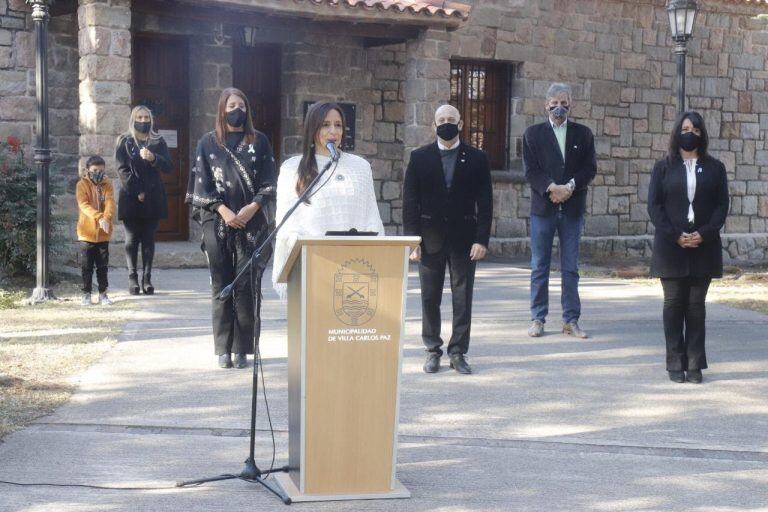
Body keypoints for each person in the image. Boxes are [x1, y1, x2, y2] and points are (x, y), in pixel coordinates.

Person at [186, 87, 276, 369]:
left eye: (242, 105)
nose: (237, 109)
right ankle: (223, 348)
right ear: (222, 109)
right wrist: (224, 211)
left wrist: (252, 208)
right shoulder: (208, 142)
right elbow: (201, 185)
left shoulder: (259, 141)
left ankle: (243, 349)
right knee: (221, 284)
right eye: (231, 105)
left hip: (253, 222)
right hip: (218, 221)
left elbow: (269, 182)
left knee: (247, 285)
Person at [403, 104, 493, 375]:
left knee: (462, 298)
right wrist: (412, 241)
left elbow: (485, 202)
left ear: (461, 124)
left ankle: (458, 352)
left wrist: (482, 240)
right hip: (429, 240)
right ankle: (433, 350)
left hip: (465, 240)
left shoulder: (477, 158)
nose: (446, 124)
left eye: (451, 120)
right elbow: (410, 202)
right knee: (430, 297)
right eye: (441, 120)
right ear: (433, 126)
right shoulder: (419, 158)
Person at [648, 112, 729, 384]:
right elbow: (655, 207)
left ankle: (694, 364)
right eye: (684, 128)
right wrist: (675, 236)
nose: (689, 133)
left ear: (702, 134)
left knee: (696, 307)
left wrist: (703, 234)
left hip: (703, 247)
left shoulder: (716, 168)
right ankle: (674, 362)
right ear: (676, 133)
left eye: (695, 129)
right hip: (671, 247)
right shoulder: (662, 168)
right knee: (673, 305)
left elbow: (721, 206)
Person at [271, 101, 384, 297]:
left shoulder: (360, 167)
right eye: (325, 124)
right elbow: (286, 222)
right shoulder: (292, 168)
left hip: (354, 268)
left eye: (338, 125)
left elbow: (371, 217)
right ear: (312, 128)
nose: (333, 131)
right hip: (311, 267)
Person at [522, 82, 596, 339]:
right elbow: (531, 171)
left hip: (573, 208)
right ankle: (538, 318)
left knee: (570, 267)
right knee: (539, 265)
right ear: (546, 105)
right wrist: (552, 187)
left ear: (571, 104)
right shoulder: (532, 134)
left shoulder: (583, 134)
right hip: (543, 208)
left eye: (564, 103)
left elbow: (590, 169)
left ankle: (571, 320)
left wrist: (570, 187)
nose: (559, 108)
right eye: (554, 103)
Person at [115, 105, 172, 295]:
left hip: (153, 196)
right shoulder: (124, 141)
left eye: (146, 118)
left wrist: (154, 158)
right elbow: (122, 169)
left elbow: (168, 166)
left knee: (148, 238)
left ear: (151, 120)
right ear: (133, 119)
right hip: (131, 197)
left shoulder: (158, 140)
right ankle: (132, 279)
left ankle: (147, 279)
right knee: (132, 238)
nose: (143, 121)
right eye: (139, 117)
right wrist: (137, 190)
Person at [76, 155, 116, 306]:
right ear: (87, 170)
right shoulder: (82, 185)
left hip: (103, 234)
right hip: (86, 233)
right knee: (86, 266)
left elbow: (110, 202)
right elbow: (83, 205)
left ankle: (103, 294)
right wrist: (100, 217)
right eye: (94, 170)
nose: (98, 172)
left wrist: (106, 218)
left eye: (101, 170)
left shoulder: (107, 184)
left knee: (102, 266)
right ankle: (86, 293)